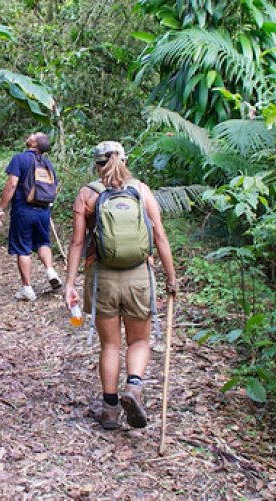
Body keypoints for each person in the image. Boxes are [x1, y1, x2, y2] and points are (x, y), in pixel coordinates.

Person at [64, 141, 177, 430]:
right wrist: (172, 278)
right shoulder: (141, 190)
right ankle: (135, 387)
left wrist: (69, 283)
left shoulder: (88, 194)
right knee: (139, 340)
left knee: (110, 345)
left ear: (96, 164)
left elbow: (78, 242)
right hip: (140, 276)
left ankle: (111, 410)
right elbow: (160, 236)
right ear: (124, 160)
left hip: (102, 277)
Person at [0, 132, 63, 301]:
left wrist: (1, 207)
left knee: (23, 248)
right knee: (43, 242)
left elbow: (12, 185)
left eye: (34, 135)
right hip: (43, 210)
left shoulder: (20, 159)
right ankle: (50, 271)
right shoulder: (46, 163)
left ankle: (27, 289)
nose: (30, 135)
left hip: (23, 210)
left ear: (34, 143)